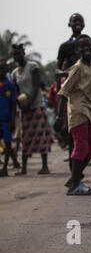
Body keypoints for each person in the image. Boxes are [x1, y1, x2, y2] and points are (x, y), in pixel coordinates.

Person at [55, 34, 91, 195]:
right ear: (77, 50)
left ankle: (74, 178)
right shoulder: (78, 68)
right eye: (82, 46)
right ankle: (75, 185)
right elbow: (64, 92)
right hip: (78, 111)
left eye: (88, 45)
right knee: (81, 146)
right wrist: (60, 117)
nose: (86, 48)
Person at [11, 44, 52, 176]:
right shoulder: (15, 73)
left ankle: (45, 166)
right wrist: (20, 103)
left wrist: (29, 102)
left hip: (36, 105)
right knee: (25, 137)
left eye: (19, 53)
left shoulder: (33, 67)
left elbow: (36, 86)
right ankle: (24, 168)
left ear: (23, 53)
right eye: (14, 54)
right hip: (24, 108)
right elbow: (15, 90)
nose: (17, 56)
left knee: (41, 135)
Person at [0, 59, 17, 177]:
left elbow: (13, 103)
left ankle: (5, 168)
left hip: (6, 119)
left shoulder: (10, 85)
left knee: (8, 143)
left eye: (3, 68)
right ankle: (14, 162)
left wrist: (12, 120)